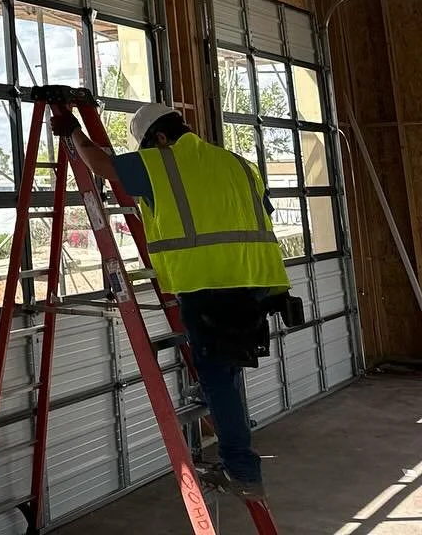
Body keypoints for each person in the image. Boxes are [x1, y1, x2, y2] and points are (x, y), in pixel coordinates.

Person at [49, 101, 291, 502]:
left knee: (219, 376)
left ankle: (243, 471)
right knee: (226, 370)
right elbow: (260, 213)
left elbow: (99, 163)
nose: (145, 156)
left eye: (147, 147)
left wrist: (73, 130)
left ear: (160, 138)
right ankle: (227, 430)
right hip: (257, 282)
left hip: (209, 286)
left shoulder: (162, 161)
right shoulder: (237, 163)